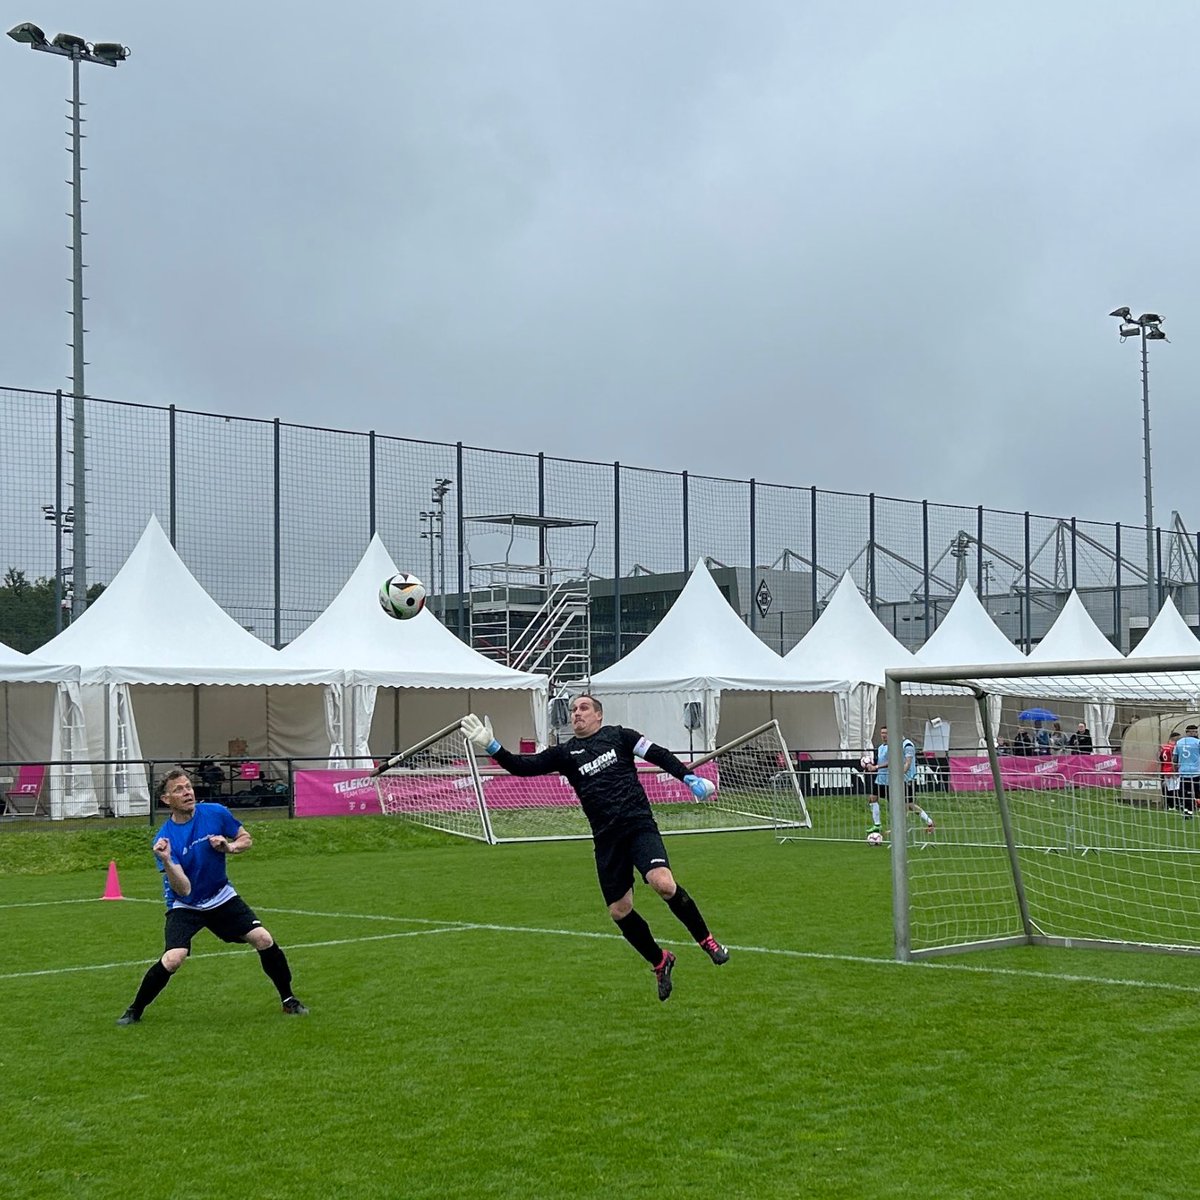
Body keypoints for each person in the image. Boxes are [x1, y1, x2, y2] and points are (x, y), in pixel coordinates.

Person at [461, 696, 728, 1002]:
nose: (577, 713)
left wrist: (688, 778)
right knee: (619, 911)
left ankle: (707, 941)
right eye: (573, 710)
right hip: (606, 838)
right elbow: (524, 767)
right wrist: (492, 745)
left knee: (663, 884)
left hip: (638, 825)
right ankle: (660, 961)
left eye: (584, 708)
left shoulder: (620, 736)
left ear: (598, 715)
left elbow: (659, 754)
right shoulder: (564, 753)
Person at [116, 768, 308, 1025]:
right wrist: (166, 861)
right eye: (178, 790)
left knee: (263, 938)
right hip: (185, 904)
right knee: (174, 958)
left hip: (221, 896)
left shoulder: (215, 812)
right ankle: (135, 1010)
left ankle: (288, 999)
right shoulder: (164, 839)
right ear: (166, 800)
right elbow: (183, 889)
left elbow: (245, 838)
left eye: (188, 787)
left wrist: (229, 847)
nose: (187, 792)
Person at [863, 725, 934, 834]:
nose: (884, 736)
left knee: (907, 805)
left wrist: (900, 774)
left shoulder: (906, 745)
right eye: (882, 733)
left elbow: (904, 762)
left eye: (886, 733)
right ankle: (877, 825)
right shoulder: (884, 746)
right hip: (883, 779)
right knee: (873, 798)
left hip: (902, 780)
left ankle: (927, 822)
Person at [1172, 725, 1200, 818]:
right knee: (1196, 792)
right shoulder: (1198, 742)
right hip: (1196, 771)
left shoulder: (1179, 742)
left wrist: (1175, 768)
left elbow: (1175, 757)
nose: (1195, 733)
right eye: (1194, 732)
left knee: (1185, 793)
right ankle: (1190, 811)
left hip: (1184, 771)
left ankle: (1188, 810)